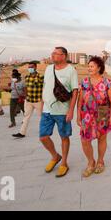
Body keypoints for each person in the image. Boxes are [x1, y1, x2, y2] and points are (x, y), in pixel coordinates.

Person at [39, 47, 79, 178]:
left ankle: (64, 163)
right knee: (43, 137)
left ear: (64, 56)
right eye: (52, 53)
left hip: (62, 110)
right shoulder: (48, 68)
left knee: (64, 137)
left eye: (56, 53)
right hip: (47, 110)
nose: (53, 55)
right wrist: (41, 105)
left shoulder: (71, 70)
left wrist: (71, 111)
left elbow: (75, 91)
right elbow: (45, 87)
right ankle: (55, 156)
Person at [77, 56, 111, 178]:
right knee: (85, 141)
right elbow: (80, 101)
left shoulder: (106, 82)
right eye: (88, 66)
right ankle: (91, 162)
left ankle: (100, 161)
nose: (89, 68)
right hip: (87, 116)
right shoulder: (84, 82)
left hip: (102, 115)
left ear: (99, 67)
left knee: (102, 139)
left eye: (92, 66)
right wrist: (78, 116)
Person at [13, 62, 44, 138]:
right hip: (29, 100)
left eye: (32, 67)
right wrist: (26, 96)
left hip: (38, 100)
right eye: (29, 67)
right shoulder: (27, 76)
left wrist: (44, 99)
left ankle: (43, 132)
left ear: (36, 67)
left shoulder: (40, 76)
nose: (30, 68)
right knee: (26, 116)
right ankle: (22, 133)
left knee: (41, 117)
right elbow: (26, 87)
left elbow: (45, 88)